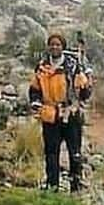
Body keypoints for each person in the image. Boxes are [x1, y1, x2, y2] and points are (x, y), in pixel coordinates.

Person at [29, 31, 93, 192]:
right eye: (52, 44)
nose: (54, 47)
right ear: (48, 47)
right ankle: (52, 186)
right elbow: (34, 89)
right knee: (51, 152)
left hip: (71, 113)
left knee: (74, 151)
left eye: (58, 44)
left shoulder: (73, 66)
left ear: (62, 47)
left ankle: (76, 185)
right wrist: (36, 102)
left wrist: (85, 86)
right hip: (50, 114)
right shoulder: (42, 67)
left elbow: (84, 93)